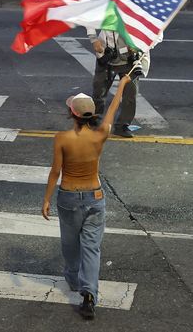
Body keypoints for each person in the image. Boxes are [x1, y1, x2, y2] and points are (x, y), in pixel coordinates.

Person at [41, 65, 139, 320]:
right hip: (95, 197)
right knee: (92, 248)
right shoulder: (100, 135)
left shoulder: (62, 138)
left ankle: (73, 280)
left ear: (71, 113)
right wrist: (124, 82)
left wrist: (46, 199)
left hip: (69, 197)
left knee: (70, 244)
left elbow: (55, 173)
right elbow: (114, 106)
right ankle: (89, 293)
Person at [88, 29, 150, 138]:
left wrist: (139, 47)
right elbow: (88, 17)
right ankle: (94, 120)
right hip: (105, 55)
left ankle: (122, 126)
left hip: (130, 59)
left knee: (130, 94)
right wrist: (94, 40)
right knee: (99, 90)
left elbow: (155, 34)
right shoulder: (106, 12)